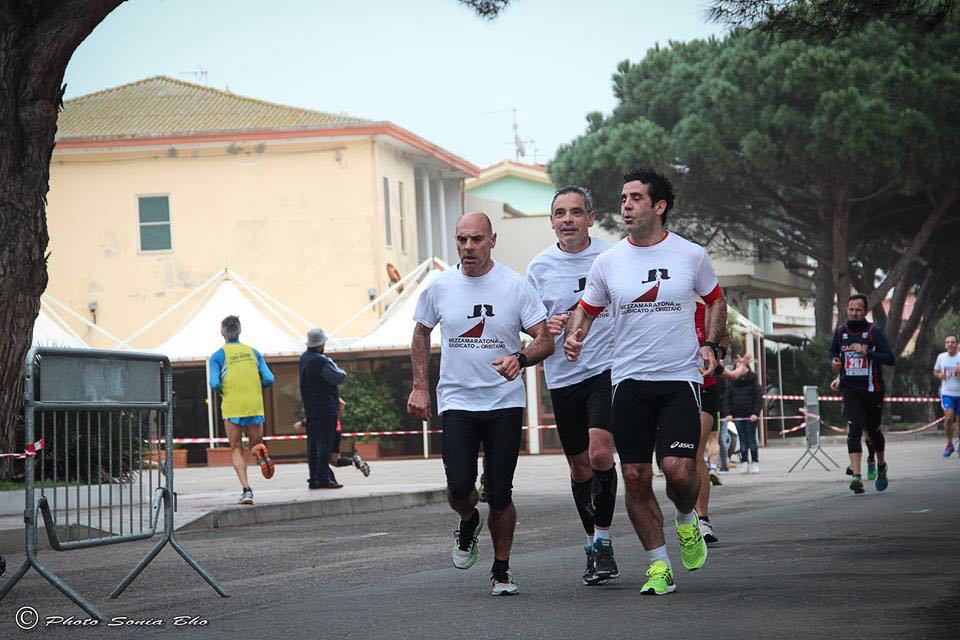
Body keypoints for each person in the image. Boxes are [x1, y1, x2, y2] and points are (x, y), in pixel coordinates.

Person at [564, 166, 726, 596]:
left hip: (678, 380)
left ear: (659, 205)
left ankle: (687, 517)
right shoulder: (609, 261)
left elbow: (715, 299)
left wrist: (711, 344)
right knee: (635, 475)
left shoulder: (690, 255)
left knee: (677, 470)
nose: (627, 205)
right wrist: (575, 334)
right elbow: (586, 308)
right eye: (623, 199)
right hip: (629, 381)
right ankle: (658, 565)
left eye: (635, 198)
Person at [407, 211, 554, 596]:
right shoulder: (440, 287)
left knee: (501, 492)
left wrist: (520, 359)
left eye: (476, 239)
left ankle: (501, 570)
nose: (468, 247)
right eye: (461, 240)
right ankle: (468, 520)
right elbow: (421, 332)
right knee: (458, 487)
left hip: (504, 402)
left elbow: (544, 338)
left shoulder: (514, 286)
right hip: (457, 400)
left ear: (492, 240)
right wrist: (421, 386)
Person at [526, 185, 619, 585]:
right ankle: (591, 542)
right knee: (580, 465)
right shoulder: (538, 267)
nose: (568, 220)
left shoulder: (611, 258)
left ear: (591, 218)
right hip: (562, 377)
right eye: (560, 213)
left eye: (576, 212)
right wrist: (545, 326)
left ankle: (603, 540)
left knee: (600, 453)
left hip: (606, 368)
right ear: (551, 222)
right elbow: (530, 325)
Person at [828, 293, 896, 494]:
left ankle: (881, 466)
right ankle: (857, 477)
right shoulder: (841, 331)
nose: (854, 313)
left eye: (858, 310)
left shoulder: (874, 331)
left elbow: (890, 358)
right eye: (851, 309)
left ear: (864, 311)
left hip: (872, 390)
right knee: (855, 429)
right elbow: (832, 351)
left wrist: (868, 353)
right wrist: (834, 361)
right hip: (850, 389)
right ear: (846, 310)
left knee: (874, 432)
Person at [208, 315, 275, 505]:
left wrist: (223, 390)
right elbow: (270, 379)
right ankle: (261, 453)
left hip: (233, 406)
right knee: (255, 444)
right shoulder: (254, 352)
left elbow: (213, 383)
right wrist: (255, 386)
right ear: (240, 330)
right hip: (254, 405)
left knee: (236, 448)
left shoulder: (218, 356)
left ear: (222, 332)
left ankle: (246, 490)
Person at [299, 327, 348, 489]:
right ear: (320, 344)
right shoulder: (321, 361)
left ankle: (313, 478)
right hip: (326, 409)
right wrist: (333, 363)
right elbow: (339, 377)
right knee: (324, 445)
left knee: (312, 445)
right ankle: (323, 479)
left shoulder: (304, 359)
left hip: (311, 409)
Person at [293, 398, 370, 476]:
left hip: (326, 431)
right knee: (335, 460)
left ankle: (323, 479)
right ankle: (354, 461)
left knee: (320, 457)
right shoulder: (331, 394)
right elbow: (342, 403)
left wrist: (302, 423)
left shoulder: (320, 394)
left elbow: (318, 415)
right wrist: (337, 418)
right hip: (336, 429)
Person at [722, 355, 764, 474]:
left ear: (747, 368)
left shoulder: (753, 382)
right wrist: (728, 413)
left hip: (751, 417)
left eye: (742, 367)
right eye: (737, 367)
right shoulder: (732, 384)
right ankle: (744, 462)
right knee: (742, 441)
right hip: (738, 416)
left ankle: (755, 462)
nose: (740, 369)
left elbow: (758, 399)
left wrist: (755, 413)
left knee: (751, 440)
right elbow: (727, 399)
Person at [933, 335, 960, 457]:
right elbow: (935, 371)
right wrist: (939, 375)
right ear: (945, 345)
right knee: (949, 418)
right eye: (947, 342)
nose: (950, 344)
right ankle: (949, 444)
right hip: (947, 393)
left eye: (952, 342)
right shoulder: (941, 357)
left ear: (956, 344)